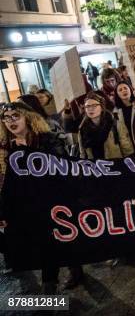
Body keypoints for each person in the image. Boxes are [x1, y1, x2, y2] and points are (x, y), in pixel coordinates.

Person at [0, 102, 81, 293]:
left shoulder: (47, 139)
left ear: (27, 117)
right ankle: (50, 289)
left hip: (54, 200)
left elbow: (60, 166)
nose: (11, 121)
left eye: (15, 116)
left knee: (62, 239)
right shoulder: (5, 149)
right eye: (6, 118)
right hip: (29, 205)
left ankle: (68, 273)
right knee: (46, 244)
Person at [78, 93, 134, 160]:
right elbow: (83, 154)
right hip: (96, 168)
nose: (90, 109)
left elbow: (127, 148)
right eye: (87, 106)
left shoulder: (114, 124)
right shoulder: (82, 129)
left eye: (94, 105)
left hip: (115, 165)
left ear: (102, 107)